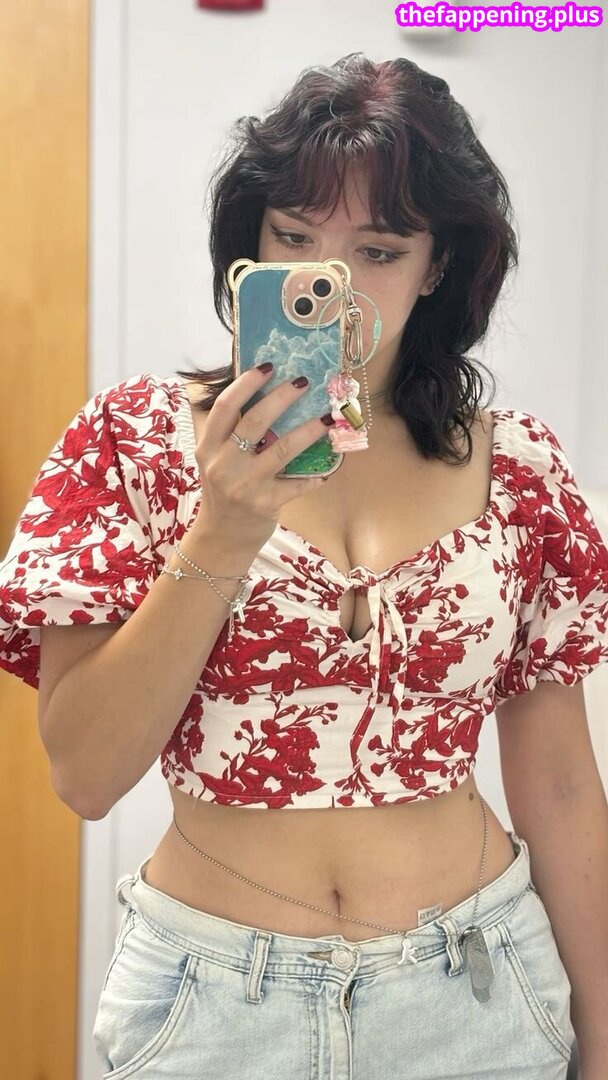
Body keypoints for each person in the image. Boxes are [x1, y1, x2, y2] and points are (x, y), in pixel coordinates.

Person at [0, 52, 606, 1079]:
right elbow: (85, 776)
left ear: (437, 267)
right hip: (213, 1008)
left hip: (480, 994)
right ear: (250, 250)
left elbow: (557, 783)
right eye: (294, 238)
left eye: (378, 250)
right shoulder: (132, 445)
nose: (335, 284)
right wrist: (225, 527)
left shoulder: (521, 471)